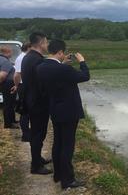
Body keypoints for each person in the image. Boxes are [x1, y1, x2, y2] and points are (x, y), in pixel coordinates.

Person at [37, 39, 89, 189]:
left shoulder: (41, 67)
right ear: (60, 52)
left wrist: (63, 64)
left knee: (58, 143)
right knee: (67, 146)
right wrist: (82, 62)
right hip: (69, 112)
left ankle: (58, 175)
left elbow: (57, 77)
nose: (64, 55)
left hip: (55, 110)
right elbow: (85, 76)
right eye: (63, 53)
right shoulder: (64, 70)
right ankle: (68, 180)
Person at [21, 32, 52, 175]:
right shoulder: (38, 60)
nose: (47, 45)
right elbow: (43, 84)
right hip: (38, 103)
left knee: (36, 132)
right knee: (38, 134)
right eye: (46, 42)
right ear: (40, 43)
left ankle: (38, 159)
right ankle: (35, 166)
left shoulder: (28, 57)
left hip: (30, 100)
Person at [11, 42, 31, 141]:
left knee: (26, 111)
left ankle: (27, 132)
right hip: (23, 86)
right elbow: (17, 75)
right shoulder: (22, 58)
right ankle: (26, 135)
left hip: (23, 86)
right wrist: (17, 85)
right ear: (28, 48)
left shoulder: (22, 57)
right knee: (25, 111)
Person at [0, 46, 18, 129]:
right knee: (8, 104)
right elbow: (2, 75)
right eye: (11, 52)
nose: (12, 53)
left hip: (6, 84)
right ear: (6, 52)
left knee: (10, 103)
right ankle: (8, 123)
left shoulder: (2, 59)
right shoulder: (5, 61)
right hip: (8, 84)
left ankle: (12, 120)